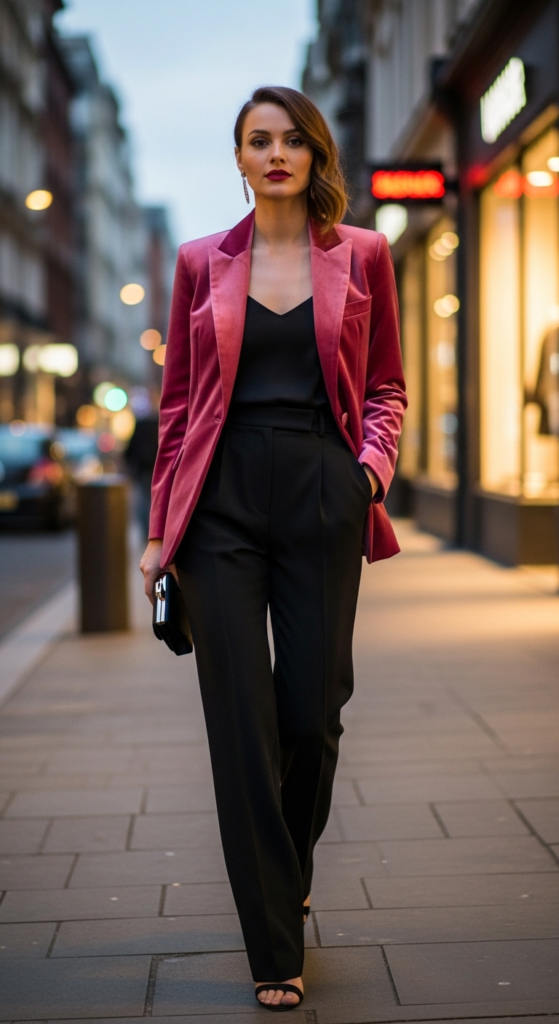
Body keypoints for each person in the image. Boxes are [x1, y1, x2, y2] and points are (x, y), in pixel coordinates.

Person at [140, 85, 406, 1011]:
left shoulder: (364, 253)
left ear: (313, 152)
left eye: (293, 139)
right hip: (217, 505)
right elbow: (178, 408)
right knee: (240, 724)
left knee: (311, 711)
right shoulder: (197, 262)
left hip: (321, 493)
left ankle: (287, 865)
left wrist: (367, 473)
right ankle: (272, 940)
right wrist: (158, 529)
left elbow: (385, 390)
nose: (277, 153)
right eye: (259, 140)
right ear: (240, 158)